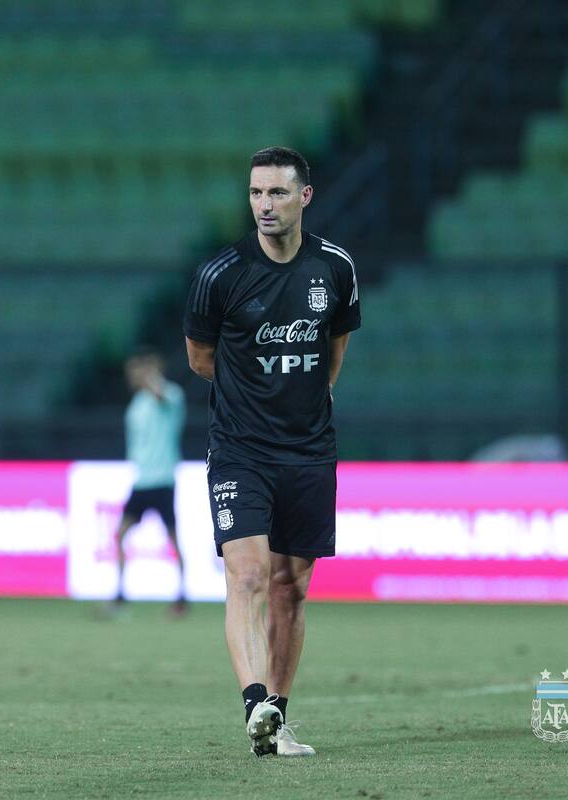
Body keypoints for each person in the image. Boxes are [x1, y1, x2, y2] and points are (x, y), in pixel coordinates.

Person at [182, 146, 361, 758]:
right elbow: (200, 360)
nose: (265, 205)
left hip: (310, 452)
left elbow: (334, 347)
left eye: (278, 193)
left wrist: (304, 400)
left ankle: (276, 720)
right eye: (257, 193)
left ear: (304, 197)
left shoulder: (335, 268)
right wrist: (252, 402)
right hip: (240, 451)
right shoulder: (221, 276)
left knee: (292, 588)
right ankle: (254, 699)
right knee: (250, 576)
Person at [113, 349, 188, 615]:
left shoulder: (170, 394)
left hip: (162, 478)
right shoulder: (138, 402)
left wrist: (151, 376)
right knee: (120, 534)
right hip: (142, 479)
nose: (131, 377)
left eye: (136, 371)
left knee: (173, 539)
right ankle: (120, 596)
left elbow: (161, 396)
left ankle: (181, 597)